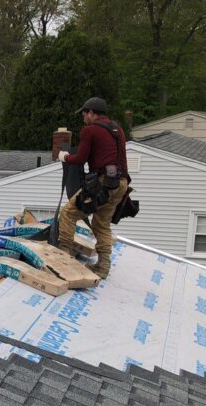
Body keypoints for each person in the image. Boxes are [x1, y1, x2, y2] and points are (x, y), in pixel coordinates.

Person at [57, 96, 130, 279]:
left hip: (103, 182)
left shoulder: (90, 130)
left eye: (84, 113)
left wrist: (65, 157)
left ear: (91, 113)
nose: (83, 117)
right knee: (101, 224)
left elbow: (80, 159)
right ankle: (103, 266)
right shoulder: (118, 129)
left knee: (68, 213)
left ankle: (63, 258)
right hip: (121, 184)